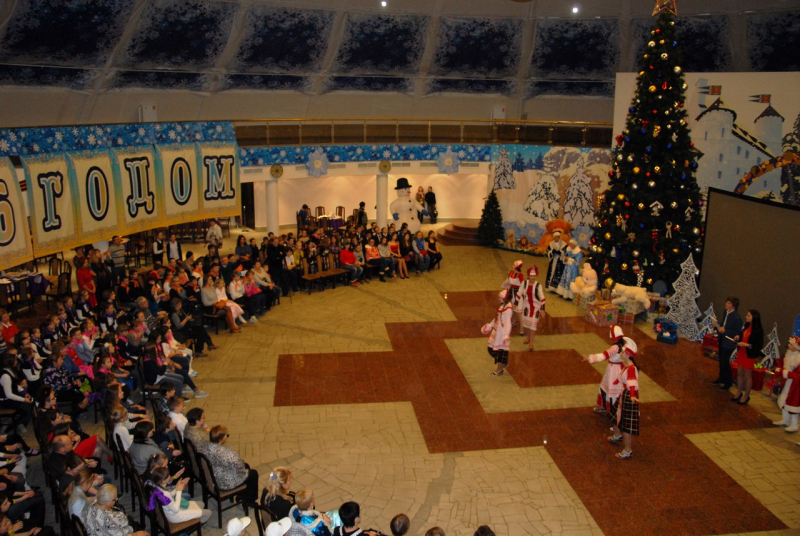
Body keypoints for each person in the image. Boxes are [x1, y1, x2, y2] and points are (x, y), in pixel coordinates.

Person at [583, 325, 638, 424]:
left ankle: (614, 413)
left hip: (614, 371)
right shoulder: (622, 344)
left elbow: (605, 355)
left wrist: (590, 358)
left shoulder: (615, 347)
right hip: (614, 369)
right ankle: (606, 408)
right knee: (606, 387)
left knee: (612, 391)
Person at [200, 425, 259, 503]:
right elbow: (240, 466)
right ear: (221, 439)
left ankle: (243, 494)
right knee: (253, 473)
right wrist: (241, 463)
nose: (227, 437)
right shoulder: (227, 452)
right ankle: (249, 500)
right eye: (226, 435)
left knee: (246, 466)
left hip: (213, 477)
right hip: (224, 483)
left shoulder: (205, 447)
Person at [145, 466, 212, 525]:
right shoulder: (165, 494)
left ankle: (195, 518)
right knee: (209, 512)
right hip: (176, 516)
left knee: (202, 504)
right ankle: (196, 524)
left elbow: (170, 496)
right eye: (168, 476)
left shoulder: (158, 487)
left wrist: (176, 488)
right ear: (163, 481)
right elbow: (176, 509)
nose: (169, 476)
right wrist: (179, 491)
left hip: (172, 511)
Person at [609, 345, 640, 460]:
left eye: (622, 352)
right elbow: (623, 377)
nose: (620, 354)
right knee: (616, 415)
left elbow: (632, 383)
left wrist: (632, 396)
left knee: (626, 425)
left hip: (628, 396)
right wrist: (616, 381)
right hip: (625, 394)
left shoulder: (631, 368)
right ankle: (617, 434)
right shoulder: (627, 366)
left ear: (628, 355)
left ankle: (627, 450)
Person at [82, 484, 149, 536]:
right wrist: (137, 534)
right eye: (115, 499)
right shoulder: (109, 519)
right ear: (107, 502)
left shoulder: (91, 505)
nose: (116, 499)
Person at [731, 309, 764, 406]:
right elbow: (742, 336)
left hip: (749, 355)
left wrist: (746, 345)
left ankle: (746, 395)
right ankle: (739, 392)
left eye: (749, 316)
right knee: (739, 374)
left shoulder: (758, 330)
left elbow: (758, 345)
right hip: (742, 353)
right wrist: (738, 337)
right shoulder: (746, 325)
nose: (746, 317)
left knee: (747, 376)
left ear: (754, 317)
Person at [711, 297, 743, 391]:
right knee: (721, 360)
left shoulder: (736, 317)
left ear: (733, 305)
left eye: (728, 303)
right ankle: (722, 378)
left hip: (729, 342)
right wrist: (717, 325)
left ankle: (728, 382)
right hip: (722, 339)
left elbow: (737, 332)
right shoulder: (726, 312)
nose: (726, 304)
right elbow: (724, 324)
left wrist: (725, 331)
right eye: (727, 302)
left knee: (725, 361)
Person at [483, 290, 513, 377]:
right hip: (497, 331)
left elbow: (508, 323)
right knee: (491, 348)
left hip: (502, 333)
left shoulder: (508, 309)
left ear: (504, 298)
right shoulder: (503, 306)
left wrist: (506, 335)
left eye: (500, 298)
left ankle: (499, 369)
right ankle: (503, 363)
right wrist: (490, 325)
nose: (498, 299)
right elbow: (497, 317)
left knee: (500, 351)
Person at [773, 336, 800, 432]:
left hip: (796, 385)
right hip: (787, 382)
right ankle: (786, 419)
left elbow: (798, 375)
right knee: (784, 399)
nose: (789, 346)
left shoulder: (799, 358)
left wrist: (785, 373)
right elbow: (781, 363)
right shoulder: (787, 354)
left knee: (793, 403)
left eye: (791, 344)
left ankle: (794, 425)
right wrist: (779, 369)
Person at [517, 266, 546, 352]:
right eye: (531, 276)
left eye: (534, 276)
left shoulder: (538, 286)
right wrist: (515, 304)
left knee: (533, 323)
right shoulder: (524, 283)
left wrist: (542, 309)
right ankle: (528, 337)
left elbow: (542, 297)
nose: (533, 278)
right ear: (528, 276)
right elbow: (519, 293)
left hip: (536, 307)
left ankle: (531, 343)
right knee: (527, 323)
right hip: (527, 306)